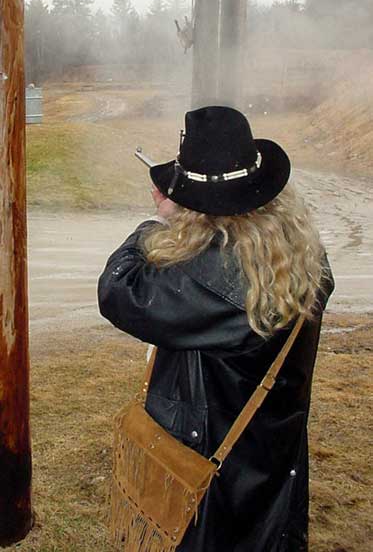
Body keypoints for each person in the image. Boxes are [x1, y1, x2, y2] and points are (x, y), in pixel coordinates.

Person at [98, 106, 334, 552]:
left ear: (200, 208)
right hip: (270, 462)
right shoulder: (302, 256)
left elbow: (119, 289)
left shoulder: (216, 280)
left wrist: (156, 224)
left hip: (210, 483)